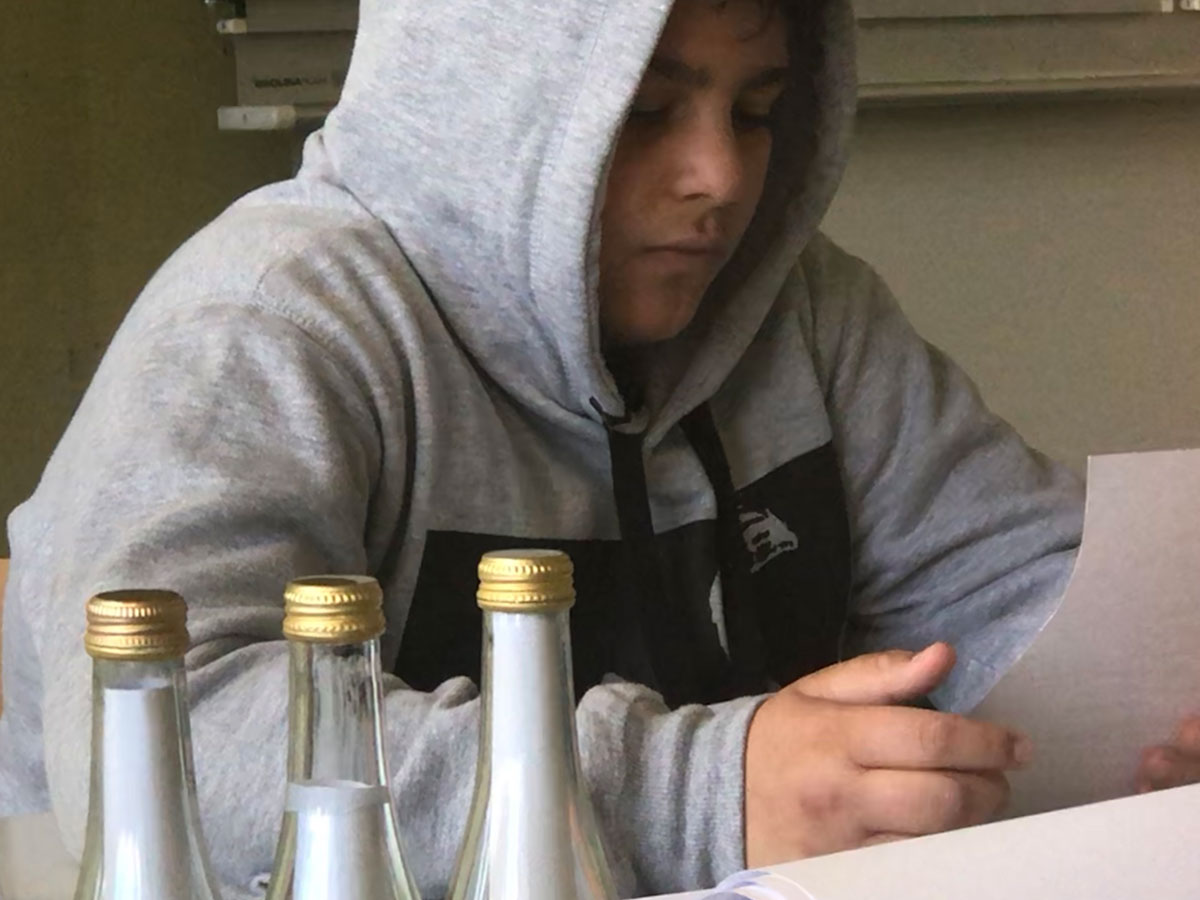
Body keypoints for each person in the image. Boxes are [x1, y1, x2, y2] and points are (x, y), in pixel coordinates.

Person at [1, 0, 1197, 897]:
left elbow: (1029, 602)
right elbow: (164, 743)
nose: (718, 179)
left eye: (758, 111)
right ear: (485, 101)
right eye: (645, 113)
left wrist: (1170, 703)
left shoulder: (805, 314)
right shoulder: (265, 322)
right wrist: (698, 793)